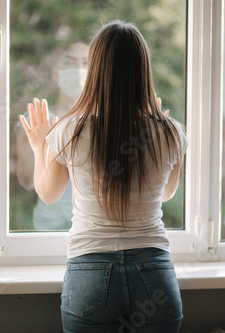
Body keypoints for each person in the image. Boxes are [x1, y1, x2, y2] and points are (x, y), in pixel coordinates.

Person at [20, 20, 187, 333]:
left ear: (96, 71)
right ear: (143, 70)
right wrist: (159, 131)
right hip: (154, 275)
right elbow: (166, 193)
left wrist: (40, 145)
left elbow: (48, 193)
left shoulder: (71, 129)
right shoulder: (172, 133)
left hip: (91, 273)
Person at [15, 42, 89, 230]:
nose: (79, 69)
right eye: (69, 62)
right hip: (48, 231)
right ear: (56, 71)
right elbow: (26, 182)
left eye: (86, 63)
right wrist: (38, 146)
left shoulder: (105, 124)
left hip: (91, 233)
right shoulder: (38, 121)